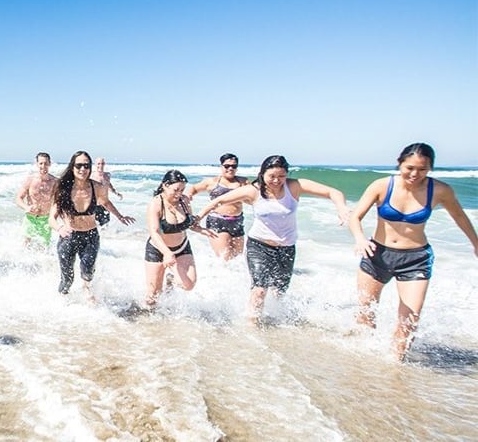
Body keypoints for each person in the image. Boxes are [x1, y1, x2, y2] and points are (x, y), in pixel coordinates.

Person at [349, 143, 478, 361]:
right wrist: (360, 239)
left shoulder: (440, 190)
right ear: (399, 163)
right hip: (376, 254)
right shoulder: (381, 186)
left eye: (422, 169)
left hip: (415, 259)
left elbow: (459, 217)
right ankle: (363, 365)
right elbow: (355, 217)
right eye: (409, 168)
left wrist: (476, 243)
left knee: (410, 318)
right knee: (366, 312)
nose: (415, 174)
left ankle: (395, 365)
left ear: (430, 169)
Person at [197, 155, 349, 324]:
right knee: (260, 289)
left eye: (281, 176)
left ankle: (274, 323)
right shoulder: (252, 190)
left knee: (279, 292)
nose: (277, 181)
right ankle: (252, 325)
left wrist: (341, 208)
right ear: (262, 174)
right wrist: (196, 220)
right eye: (272, 177)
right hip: (259, 245)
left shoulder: (294, 186)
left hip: (286, 247)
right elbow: (219, 200)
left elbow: (333, 192)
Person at [49, 151, 135, 301]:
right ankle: (61, 303)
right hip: (69, 236)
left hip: (90, 236)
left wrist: (120, 216)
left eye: (86, 166)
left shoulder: (97, 187)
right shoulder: (63, 188)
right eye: (79, 165)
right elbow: (51, 218)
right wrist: (60, 228)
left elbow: (106, 202)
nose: (83, 169)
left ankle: (85, 287)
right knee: (67, 279)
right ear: (72, 167)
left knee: (88, 271)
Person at [144, 170, 216, 307]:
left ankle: (170, 279)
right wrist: (166, 253)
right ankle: (152, 325)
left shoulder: (184, 201)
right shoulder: (156, 204)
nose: (179, 193)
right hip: (158, 249)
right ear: (165, 185)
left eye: (182, 190)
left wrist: (201, 230)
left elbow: (189, 223)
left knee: (189, 284)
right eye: (176, 189)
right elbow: (154, 232)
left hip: (182, 247)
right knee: (153, 295)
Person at [186, 153, 250, 260]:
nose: (230, 168)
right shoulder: (212, 182)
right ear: (221, 166)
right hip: (218, 221)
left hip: (237, 221)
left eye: (234, 166)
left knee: (238, 258)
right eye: (227, 166)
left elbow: (253, 197)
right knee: (225, 257)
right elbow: (194, 188)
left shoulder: (243, 182)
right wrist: (189, 195)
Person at [16, 152, 58, 249]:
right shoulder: (30, 180)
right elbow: (18, 198)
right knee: (25, 247)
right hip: (31, 218)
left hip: (46, 220)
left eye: (46, 163)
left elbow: (58, 202)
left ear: (50, 164)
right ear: (37, 164)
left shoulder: (55, 182)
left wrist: (55, 216)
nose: (43, 166)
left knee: (43, 249)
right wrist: (26, 207)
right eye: (41, 163)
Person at [90, 157, 123, 227]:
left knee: (105, 226)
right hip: (94, 206)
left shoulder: (107, 175)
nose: (100, 165)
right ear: (95, 165)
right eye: (98, 163)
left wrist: (116, 193)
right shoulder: (91, 176)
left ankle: (107, 238)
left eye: (102, 163)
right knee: (94, 227)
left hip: (105, 206)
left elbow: (108, 185)